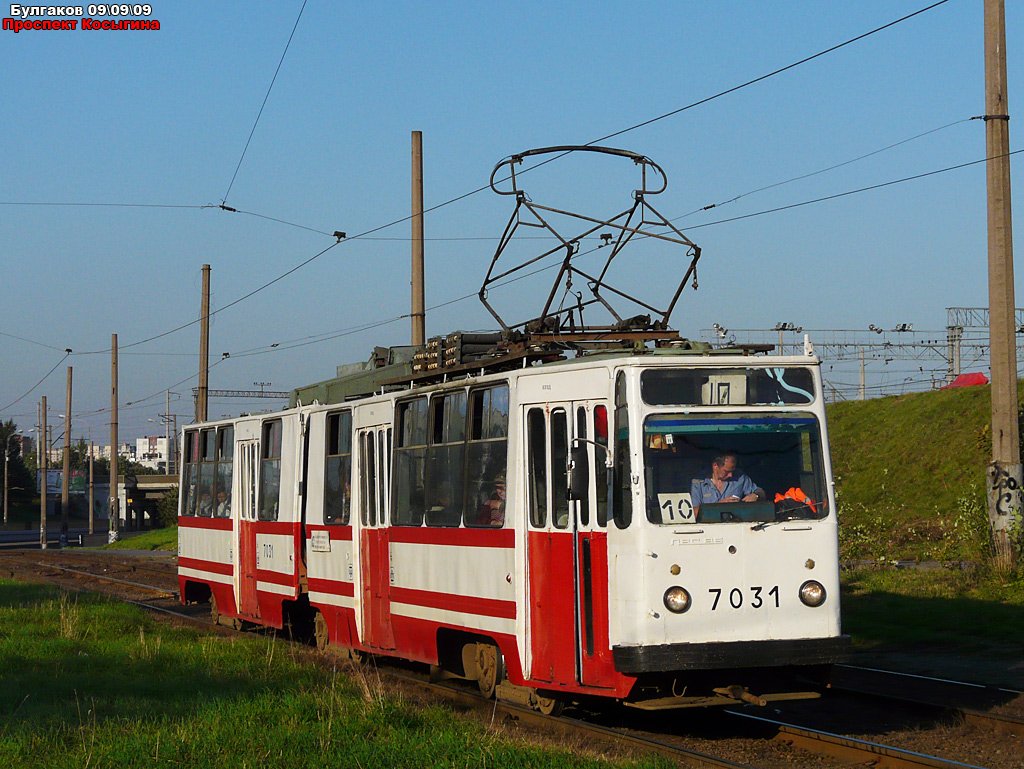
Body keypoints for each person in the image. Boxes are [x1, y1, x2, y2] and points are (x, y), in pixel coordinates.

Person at [689, 454, 764, 513]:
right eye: (726, 471)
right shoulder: (698, 482)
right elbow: (693, 512)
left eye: (732, 471)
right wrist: (720, 505)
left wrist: (756, 495)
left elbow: (762, 493)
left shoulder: (740, 477)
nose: (730, 475)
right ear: (715, 466)